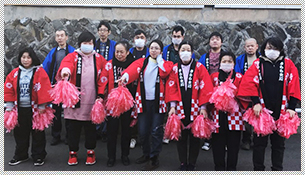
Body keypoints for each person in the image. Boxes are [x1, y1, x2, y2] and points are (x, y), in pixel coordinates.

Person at [237, 37, 301, 171]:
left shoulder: (288, 64)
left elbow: (294, 84)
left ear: (280, 50)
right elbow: (249, 83)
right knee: (259, 144)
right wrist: (255, 102)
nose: (272, 51)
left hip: (282, 111)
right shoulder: (257, 64)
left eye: (275, 48)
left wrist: (292, 107)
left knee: (279, 145)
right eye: (269, 48)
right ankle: (258, 169)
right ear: (263, 49)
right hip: (262, 111)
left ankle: (277, 169)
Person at [118, 39, 173, 171]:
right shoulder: (143, 62)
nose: (153, 50)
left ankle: (154, 158)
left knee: (155, 131)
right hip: (143, 101)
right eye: (152, 48)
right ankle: (146, 153)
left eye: (157, 48)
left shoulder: (166, 64)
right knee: (142, 131)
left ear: (161, 51)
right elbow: (132, 70)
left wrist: (159, 60)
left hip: (158, 103)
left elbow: (165, 72)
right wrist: (125, 77)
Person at [56, 31, 107, 166]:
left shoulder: (99, 59)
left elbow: (103, 79)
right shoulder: (72, 56)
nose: (88, 45)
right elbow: (66, 66)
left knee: (91, 128)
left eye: (90, 43)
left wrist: (101, 95)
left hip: (92, 99)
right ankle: (73, 152)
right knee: (73, 128)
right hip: (74, 100)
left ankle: (91, 151)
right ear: (80, 44)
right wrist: (65, 72)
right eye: (85, 43)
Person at [165, 41, 213, 171]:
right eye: (182, 50)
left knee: (194, 137)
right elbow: (171, 87)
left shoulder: (199, 67)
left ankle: (192, 162)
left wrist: (203, 107)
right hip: (179, 106)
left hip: (196, 107)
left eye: (188, 50)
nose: (185, 52)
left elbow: (205, 87)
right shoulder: (175, 68)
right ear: (179, 52)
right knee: (181, 136)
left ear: (192, 53)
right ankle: (182, 162)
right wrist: (172, 106)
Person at [4, 47, 53, 166]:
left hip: (36, 110)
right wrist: (9, 106)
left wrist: (42, 106)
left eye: (28, 57)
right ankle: (21, 155)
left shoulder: (39, 72)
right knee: (20, 133)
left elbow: (45, 88)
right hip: (19, 109)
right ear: (20, 58)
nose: (25, 60)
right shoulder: (14, 73)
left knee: (38, 133)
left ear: (33, 58)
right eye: (23, 57)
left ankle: (38, 156)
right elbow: (8, 88)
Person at [97, 41, 136, 167]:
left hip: (127, 103)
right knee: (111, 131)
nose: (119, 54)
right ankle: (111, 157)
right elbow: (103, 81)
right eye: (117, 52)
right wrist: (100, 96)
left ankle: (125, 155)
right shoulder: (109, 65)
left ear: (127, 52)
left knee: (126, 131)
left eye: (122, 52)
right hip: (112, 104)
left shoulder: (132, 65)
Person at [210, 51, 245, 171]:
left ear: (234, 63)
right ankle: (219, 168)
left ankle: (231, 168)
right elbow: (208, 94)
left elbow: (244, 95)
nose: (226, 63)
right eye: (224, 61)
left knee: (233, 146)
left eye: (229, 61)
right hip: (217, 116)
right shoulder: (214, 77)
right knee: (217, 145)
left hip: (234, 116)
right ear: (219, 63)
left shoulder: (239, 77)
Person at [42, 28, 75, 146]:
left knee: (69, 112)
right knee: (56, 111)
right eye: (58, 36)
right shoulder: (53, 52)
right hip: (55, 86)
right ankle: (56, 136)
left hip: (69, 87)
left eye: (62, 35)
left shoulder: (72, 51)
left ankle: (69, 136)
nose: (60, 38)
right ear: (55, 38)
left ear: (67, 37)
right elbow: (45, 67)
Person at [198, 31, 224, 151]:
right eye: (212, 39)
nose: (215, 41)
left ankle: (221, 140)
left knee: (221, 114)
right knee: (208, 112)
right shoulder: (204, 57)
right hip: (208, 88)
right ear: (209, 42)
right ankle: (208, 139)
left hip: (223, 89)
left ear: (221, 42)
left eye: (217, 39)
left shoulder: (225, 55)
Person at [234, 38, 260, 150]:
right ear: (244, 47)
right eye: (248, 46)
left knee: (258, 116)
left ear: (256, 46)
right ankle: (246, 140)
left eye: (252, 46)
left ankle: (258, 139)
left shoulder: (261, 59)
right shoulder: (240, 59)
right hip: (244, 92)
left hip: (258, 92)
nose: (250, 48)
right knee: (245, 117)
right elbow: (237, 74)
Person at [95, 20, 116, 142]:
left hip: (110, 77)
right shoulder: (94, 45)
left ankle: (106, 130)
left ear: (109, 32)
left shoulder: (113, 45)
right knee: (98, 102)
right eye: (100, 30)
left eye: (105, 30)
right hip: (97, 78)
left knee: (108, 103)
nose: (102, 32)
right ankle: (97, 127)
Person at [128, 29, 150, 149]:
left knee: (144, 112)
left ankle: (144, 137)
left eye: (142, 37)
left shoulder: (149, 52)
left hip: (145, 87)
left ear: (146, 40)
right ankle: (133, 136)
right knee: (132, 112)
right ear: (133, 40)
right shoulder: (130, 52)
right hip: (132, 86)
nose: (139, 40)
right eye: (137, 37)